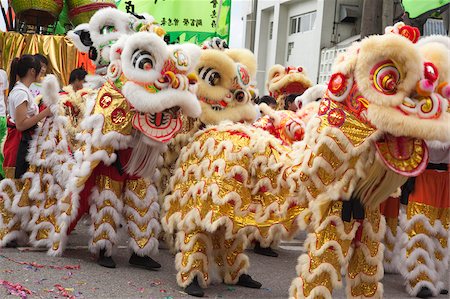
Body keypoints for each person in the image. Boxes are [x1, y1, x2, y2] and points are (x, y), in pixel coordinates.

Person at [0, 55, 52, 247]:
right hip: (18, 145)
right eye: (41, 69)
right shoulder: (21, 93)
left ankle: (12, 232)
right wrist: (46, 112)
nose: (43, 73)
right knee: (13, 187)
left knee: (19, 187)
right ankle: (7, 232)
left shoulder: (24, 91)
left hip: (23, 144)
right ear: (32, 71)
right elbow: (21, 124)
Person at [0, 68, 8, 179]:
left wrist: (6, 112)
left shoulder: (3, 73)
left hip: (2, 116)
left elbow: (4, 95)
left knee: (1, 149)